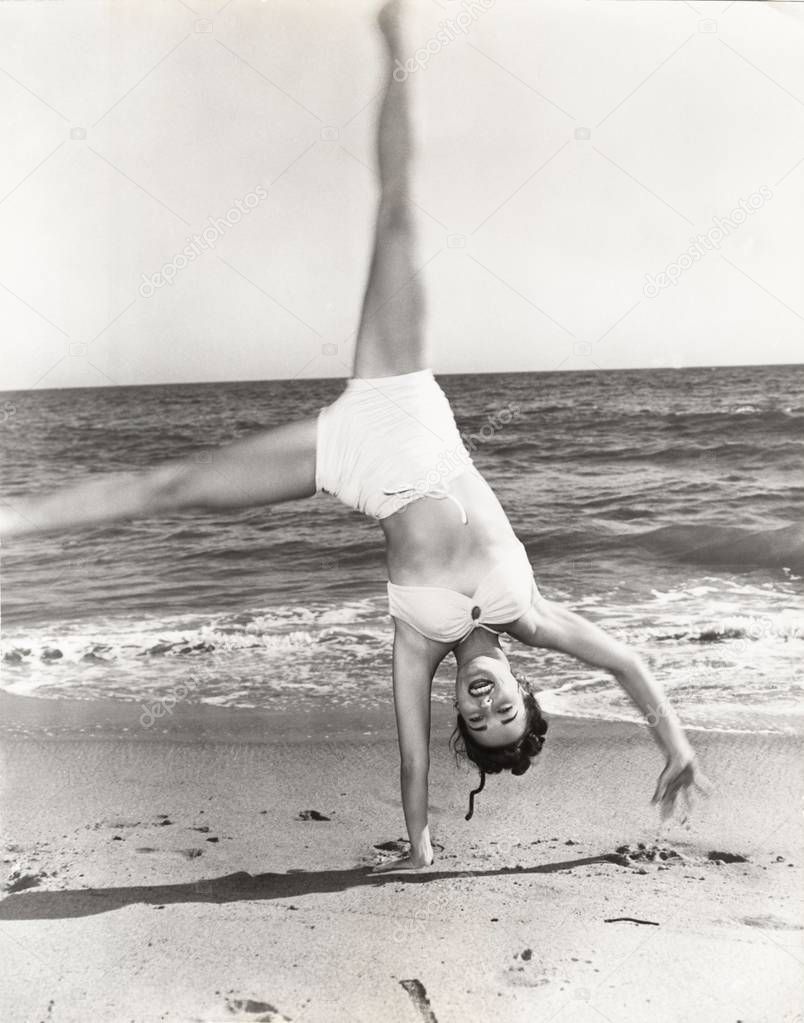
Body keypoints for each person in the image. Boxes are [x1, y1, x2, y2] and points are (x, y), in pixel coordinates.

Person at [0, 1, 709, 872]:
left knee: (171, 487)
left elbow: (411, 759)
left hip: (349, 457)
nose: (487, 707)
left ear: (459, 705)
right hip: (406, 396)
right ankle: (397, 36)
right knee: (400, 208)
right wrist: (673, 741)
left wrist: (419, 848)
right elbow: (629, 663)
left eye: (477, 720)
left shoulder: (417, 646)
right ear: (525, 687)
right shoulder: (533, 616)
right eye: (507, 710)